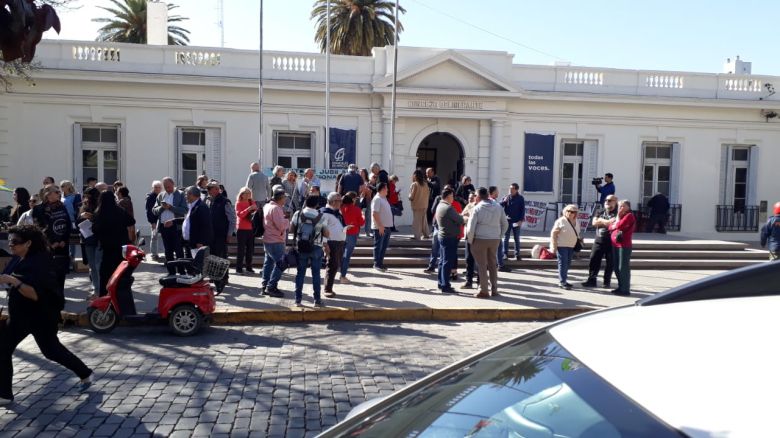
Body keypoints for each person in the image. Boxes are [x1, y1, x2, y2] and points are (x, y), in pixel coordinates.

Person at [0, 225, 93, 405]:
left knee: (49, 351)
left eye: (15, 242)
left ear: (28, 243)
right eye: (9, 241)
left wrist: (12, 281)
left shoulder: (38, 263)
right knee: (45, 350)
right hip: (22, 316)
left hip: (39, 315)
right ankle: (85, 373)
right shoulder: (19, 258)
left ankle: (4, 394)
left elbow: (34, 294)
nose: (11, 245)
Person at [465, 187, 508, 298]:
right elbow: (505, 224)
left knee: (482, 266)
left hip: (480, 239)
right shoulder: (498, 207)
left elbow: (470, 228)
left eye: (475, 196)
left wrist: (470, 241)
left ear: (478, 197)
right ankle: (494, 289)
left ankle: (484, 290)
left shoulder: (477, 208)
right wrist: (499, 236)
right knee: (493, 265)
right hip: (494, 240)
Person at [92, 190, 136, 296]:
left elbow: (95, 229)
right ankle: (120, 294)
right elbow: (131, 221)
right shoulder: (119, 211)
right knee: (119, 273)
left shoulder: (99, 213)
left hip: (107, 248)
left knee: (105, 273)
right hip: (120, 248)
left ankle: (104, 296)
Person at [32, 185, 72, 296]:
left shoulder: (62, 206)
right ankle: (50, 296)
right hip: (48, 245)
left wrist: (64, 239)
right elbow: (39, 228)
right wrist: (51, 242)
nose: (59, 194)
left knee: (61, 272)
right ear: (48, 194)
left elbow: (67, 224)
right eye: (56, 192)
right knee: (49, 272)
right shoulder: (39, 209)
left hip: (62, 245)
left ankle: (60, 295)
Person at [290, 195, 330, 307]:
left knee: (300, 273)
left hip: (301, 246)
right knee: (316, 274)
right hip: (316, 247)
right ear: (317, 204)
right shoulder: (321, 216)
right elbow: (326, 233)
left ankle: (298, 300)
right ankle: (317, 300)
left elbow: (291, 229)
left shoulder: (298, 213)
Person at [153, 177, 188, 274]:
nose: (167, 189)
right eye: (165, 187)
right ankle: (171, 272)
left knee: (178, 250)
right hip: (164, 227)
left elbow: (185, 210)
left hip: (176, 227)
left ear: (173, 184)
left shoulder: (180, 195)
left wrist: (171, 207)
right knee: (168, 251)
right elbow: (154, 210)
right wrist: (162, 208)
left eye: (169, 186)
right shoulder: (161, 195)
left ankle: (181, 272)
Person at [582, 195, 617, 288]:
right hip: (599, 239)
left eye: (609, 200)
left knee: (610, 262)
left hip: (611, 241)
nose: (607, 202)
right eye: (606, 200)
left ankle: (607, 281)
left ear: (615, 202)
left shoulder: (617, 213)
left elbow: (614, 223)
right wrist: (605, 221)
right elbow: (594, 223)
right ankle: (592, 280)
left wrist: (601, 221)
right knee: (594, 259)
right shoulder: (600, 211)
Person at [261, 188, 289, 298]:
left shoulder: (267, 205)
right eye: (284, 198)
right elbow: (281, 227)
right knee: (281, 264)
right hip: (276, 240)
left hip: (268, 239)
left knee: (268, 263)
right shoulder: (276, 208)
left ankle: (265, 285)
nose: (285, 200)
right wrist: (287, 221)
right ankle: (271, 286)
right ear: (280, 198)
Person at [435, 188, 464, 293]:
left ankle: (441, 282)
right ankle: (445, 285)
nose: (453, 198)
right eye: (452, 196)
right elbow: (460, 220)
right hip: (449, 238)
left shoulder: (440, 205)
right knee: (447, 262)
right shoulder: (448, 208)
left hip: (443, 236)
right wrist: (465, 217)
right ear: (448, 197)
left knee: (442, 261)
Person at [205, 181, 235, 283]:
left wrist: (229, 234)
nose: (217, 190)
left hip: (221, 234)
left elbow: (232, 219)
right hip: (210, 234)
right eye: (213, 188)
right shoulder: (208, 200)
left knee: (221, 256)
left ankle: (224, 277)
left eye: (217, 188)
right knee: (212, 256)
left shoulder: (225, 201)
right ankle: (213, 276)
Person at [322, 193, 350, 298]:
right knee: (332, 265)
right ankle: (327, 289)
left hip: (340, 242)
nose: (341, 203)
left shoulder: (337, 213)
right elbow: (321, 229)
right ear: (333, 201)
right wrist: (324, 244)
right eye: (339, 201)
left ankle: (329, 287)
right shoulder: (325, 213)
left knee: (335, 265)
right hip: (331, 242)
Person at [550, 204, 582, 290]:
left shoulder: (576, 221)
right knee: (563, 263)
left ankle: (564, 279)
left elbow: (577, 233)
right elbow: (554, 234)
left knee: (567, 264)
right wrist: (553, 246)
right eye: (572, 212)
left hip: (571, 245)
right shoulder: (560, 221)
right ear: (566, 212)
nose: (574, 214)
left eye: (576, 212)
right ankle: (562, 281)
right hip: (562, 245)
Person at [608, 200, 636, 296]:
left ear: (628, 207)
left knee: (623, 267)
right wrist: (616, 223)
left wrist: (617, 219)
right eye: (619, 206)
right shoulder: (619, 216)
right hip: (615, 244)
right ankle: (620, 286)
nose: (621, 208)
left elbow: (619, 225)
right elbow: (610, 227)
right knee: (616, 267)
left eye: (623, 206)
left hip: (624, 245)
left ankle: (625, 289)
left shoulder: (629, 216)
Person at [77, 188, 100, 296]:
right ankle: (96, 288)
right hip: (87, 238)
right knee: (92, 266)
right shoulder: (84, 206)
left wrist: (91, 216)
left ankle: (98, 289)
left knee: (97, 265)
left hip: (98, 238)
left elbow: (103, 219)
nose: (87, 198)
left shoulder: (101, 205)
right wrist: (81, 216)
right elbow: (78, 221)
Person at [340, 191, 364, 283]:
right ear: (352, 199)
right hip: (351, 235)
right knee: (346, 256)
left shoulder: (340, 208)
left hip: (341, 234)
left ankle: (339, 275)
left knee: (341, 256)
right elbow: (362, 223)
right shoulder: (356, 209)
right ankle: (342, 276)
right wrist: (363, 216)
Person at [182, 186, 212, 258]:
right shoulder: (191, 205)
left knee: (197, 265)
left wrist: (200, 242)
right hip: (190, 242)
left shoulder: (201, 207)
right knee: (190, 264)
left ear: (192, 195)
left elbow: (205, 226)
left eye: (187, 195)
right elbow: (189, 220)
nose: (185, 197)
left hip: (197, 244)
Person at [500, 183, 526, 264]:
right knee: (506, 238)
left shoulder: (520, 198)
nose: (510, 190)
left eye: (512, 189)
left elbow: (522, 210)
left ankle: (517, 254)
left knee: (516, 238)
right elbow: (499, 206)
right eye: (510, 188)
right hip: (507, 221)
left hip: (516, 221)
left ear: (516, 190)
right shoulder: (506, 197)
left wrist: (521, 220)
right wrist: (504, 201)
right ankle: (505, 254)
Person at [371, 182, 393, 272]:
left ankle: (380, 263)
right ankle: (376, 264)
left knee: (383, 247)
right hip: (380, 227)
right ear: (383, 189)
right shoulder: (377, 199)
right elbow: (375, 213)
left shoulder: (383, 198)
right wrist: (380, 226)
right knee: (379, 246)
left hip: (386, 227)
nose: (387, 190)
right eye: (386, 188)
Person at [235, 187, 258, 273]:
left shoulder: (251, 202)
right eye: (246, 193)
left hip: (251, 228)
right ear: (241, 194)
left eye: (249, 193)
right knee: (241, 250)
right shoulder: (238, 203)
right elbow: (240, 215)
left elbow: (256, 214)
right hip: (241, 229)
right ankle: (239, 268)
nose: (248, 195)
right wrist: (248, 209)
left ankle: (249, 267)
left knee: (250, 249)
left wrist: (255, 208)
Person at [60, 180, 81, 263]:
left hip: (72, 220)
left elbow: (78, 208)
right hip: (62, 220)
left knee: (72, 240)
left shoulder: (75, 196)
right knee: (64, 239)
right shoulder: (60, 196)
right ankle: (65, 258)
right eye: (61, 186)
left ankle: (72, 259)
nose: (61, 188)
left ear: (68, 187)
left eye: (63, 186)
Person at [461, 193, 478, 289]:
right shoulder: (469, 205)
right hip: (469, 236)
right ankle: (469, 281)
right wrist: (470, 218)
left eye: (473, 197)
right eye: (469, 198)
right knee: (469, 259)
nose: (471, 199)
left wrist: (469, 217)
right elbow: (462, 216)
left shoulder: (481, 207)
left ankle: (481, 281)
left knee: (480, 260)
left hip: (479, 237)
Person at [408, 169, 431, 240]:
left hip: (417, 205)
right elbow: (428, 194)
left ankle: (417, 236)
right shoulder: (425, 184)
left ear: (415, 176)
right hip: (424, 205)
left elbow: (411, 197)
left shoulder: (414, 184)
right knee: (424, 220)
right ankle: (426, 234)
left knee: (417, 221)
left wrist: (409, 196)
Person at [145, 180, 163, 261]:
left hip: (163, 220)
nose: (157, 189)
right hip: (154, 221)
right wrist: (152, 222)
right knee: (154, 237)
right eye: (156, 187)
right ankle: (154, 254)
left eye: (159, 187)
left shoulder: (163, 195)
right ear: (153, 188)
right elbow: (149, 211)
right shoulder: (150, 197)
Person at [360, 168, 375, 237]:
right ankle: (358, 233)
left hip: (368, 200)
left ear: (365, 173)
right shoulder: (358, 180)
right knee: (359, 217)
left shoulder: (368, 181)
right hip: (360, 200)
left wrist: (368, 187)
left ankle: (368, 232)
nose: (361, 173)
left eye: (362, 172)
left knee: (368, 217)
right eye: (360, 172)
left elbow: (373, 189)